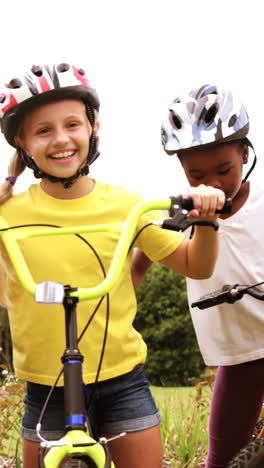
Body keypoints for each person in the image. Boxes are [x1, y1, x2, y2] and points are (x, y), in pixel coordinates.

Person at [0, 65, 225, 468]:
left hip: (121, 379)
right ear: (22, 142)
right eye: (43, 130)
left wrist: (206, 219)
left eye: (72, 124)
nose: (62, 139)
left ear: (93, 126)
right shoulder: (8, 215)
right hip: (44, 384)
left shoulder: (126, 206)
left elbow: (198, 265)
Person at [134, 84, 264, 468]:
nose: (214, 182)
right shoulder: (182, 216)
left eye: (224, 169)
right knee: (222, 458)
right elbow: (139, 262)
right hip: (241, 355)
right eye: (196, 174)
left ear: (245, 152)